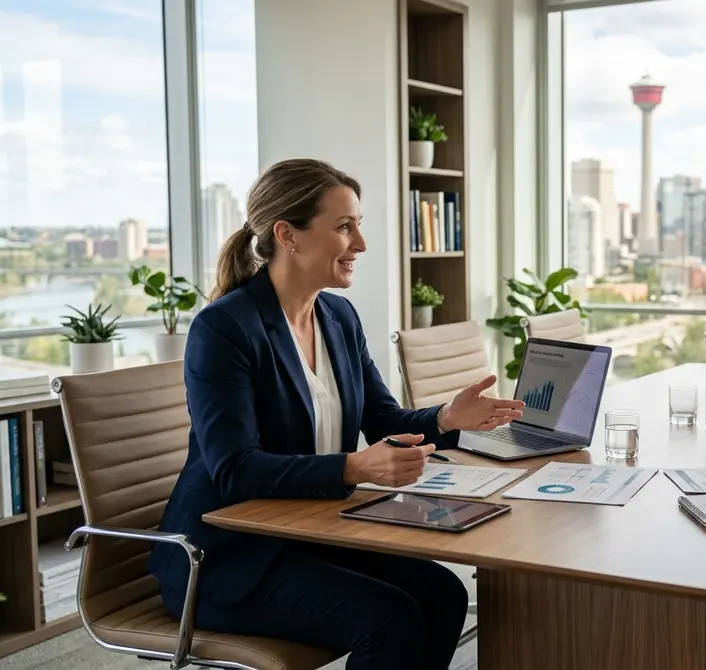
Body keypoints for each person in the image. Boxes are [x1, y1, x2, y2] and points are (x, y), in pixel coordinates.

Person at [148, 158, 524, 670]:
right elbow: (234, 470)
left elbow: (383, 419)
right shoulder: (224, 329)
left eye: (358, 226)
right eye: (344, 227)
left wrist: (445, 419)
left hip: (308, 533)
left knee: (442, 594)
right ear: (289, 235)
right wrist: (353, 468)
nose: (360, 245)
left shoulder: (338, 316)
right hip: (227, 557)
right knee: (389, 619)